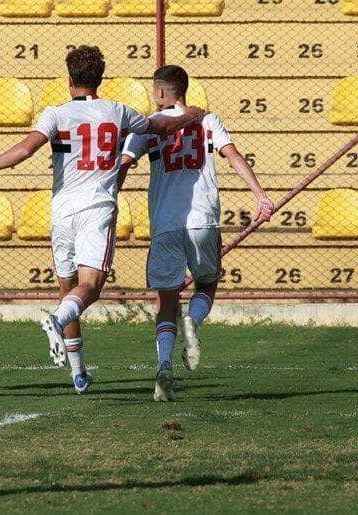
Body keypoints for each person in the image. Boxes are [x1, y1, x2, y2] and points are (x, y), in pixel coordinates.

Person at [0, 45, 206, 394]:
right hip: (96, 209)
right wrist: (190, 114)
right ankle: (57, 321)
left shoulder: (55, 113)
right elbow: (160, 125)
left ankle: (78, 374)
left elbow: (26, 148)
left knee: (68, 289)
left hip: (61, 210)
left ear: (69, 79)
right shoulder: (117, 111)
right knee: (90, 287)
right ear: (100, 78)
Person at [119, 65, 274, 401]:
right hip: (204, 219)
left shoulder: (149, 126)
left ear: (160, 93)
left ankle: (164, 367)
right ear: (184, 89)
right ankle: (194, 321)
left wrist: (109, 201)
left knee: (165, 302)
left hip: (165, 223)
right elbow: (234, 157)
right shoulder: (208, 120)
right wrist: (260, 195)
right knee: (208, 282)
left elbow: (124, 163)